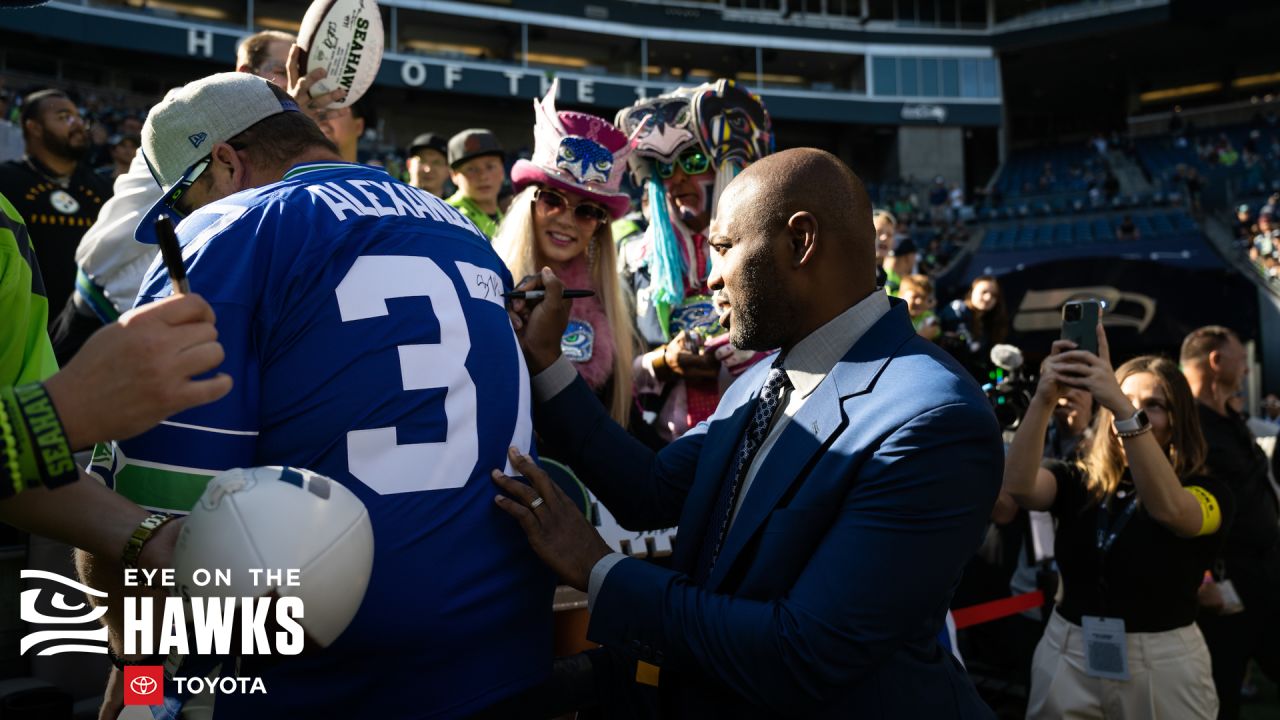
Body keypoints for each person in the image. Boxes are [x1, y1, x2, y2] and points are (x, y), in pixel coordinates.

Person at [81, 73, 548, 718]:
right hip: (503, 644)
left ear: (223, 161)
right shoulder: (462, 228)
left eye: (184, 198)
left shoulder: (226, 228)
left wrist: (137, 685)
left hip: (330, 673)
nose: (185, 217)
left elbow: (149, 505)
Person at [497, 148, 1003, 717]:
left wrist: (598, 568)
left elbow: (804, 653)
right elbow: (651, 491)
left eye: (723, 249)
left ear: (799, 242)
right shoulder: (762, 377)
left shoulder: (931, 418)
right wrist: (546, 361)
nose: (710, 277)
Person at [50, 29, 344, 363]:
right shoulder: (187, 110)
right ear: (246, 74)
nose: (296, 80)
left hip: (146, 317)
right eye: (283, 68)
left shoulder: (270, 144)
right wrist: (287, 113)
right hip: (98, 312)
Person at [1003, 331, 1228, 719]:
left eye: (1152, 405)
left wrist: (1124, 410)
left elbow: (1173, 511)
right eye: (1125, 400)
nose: (1136, 411)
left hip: (1160, 662)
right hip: (1069, 650)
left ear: (1177, 423)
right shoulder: (1079, 478)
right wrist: (1043, 397)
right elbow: (1019, 487)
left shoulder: (1208, 490)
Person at [614, 79, 774, 443]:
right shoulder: (635, 259)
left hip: (756, 433)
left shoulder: (768, 252)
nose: (679, 179)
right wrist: (661, 361)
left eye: (694, 160)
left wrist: (754, 355)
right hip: (661, 443)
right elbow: (611, 368)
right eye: (666, 170)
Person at [492, 81, 639, 426]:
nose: (567, 221)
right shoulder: (482, 284)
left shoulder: (615, 306)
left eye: (587, 211)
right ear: (529, 202)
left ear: (599, 226)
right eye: (552, 200)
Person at [1182, 326, 1280, 720]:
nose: (1244, 369)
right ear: (1215, 361)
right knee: (1222, 695)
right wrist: (1204, 578)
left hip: (1266, 576)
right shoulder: (1186, 426)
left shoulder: (1230, 417)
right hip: (1224, 586)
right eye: (1239, 360)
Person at [0, 89, 113, 321]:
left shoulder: (105, 188)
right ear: (34, 128)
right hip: (21, 321)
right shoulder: (6, 182)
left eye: (79, 117)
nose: (78, 125)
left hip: (87, 328)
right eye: (64, 117)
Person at [941, 274, 1009, 382]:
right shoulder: (957, 310)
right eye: (984, 292)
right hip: (954, 377)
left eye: (994, 295)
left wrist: (1000, 381)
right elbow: (964, 348)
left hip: (978, 382)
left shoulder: (991, 321)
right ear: (972, 291)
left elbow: (994, 364)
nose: (988, 298)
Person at [446, 128, 506, 238]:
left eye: (490, 166)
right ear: (454, 175)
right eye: (471, 169)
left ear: (502, 171)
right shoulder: (448, 216)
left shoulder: (507, 219)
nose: (483, 176)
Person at [315, 95, 369, 163]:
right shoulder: (299, 172)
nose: (320, 119)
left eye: (332, 110)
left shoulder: (373, 173)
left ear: (358, 126)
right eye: (313, 110)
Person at [406, 131, 449, 197]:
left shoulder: (454, 207)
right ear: (409, 164)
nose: (428, 169)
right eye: (422, 161)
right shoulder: (389, 201)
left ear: (448, 170)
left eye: (436, 162)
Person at [898, 273, 939, 340]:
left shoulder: (928, 317)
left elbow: (937, 332)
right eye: (914, 297)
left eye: (924, 298)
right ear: (900, 295)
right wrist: (923, 335)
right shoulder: (896, 318)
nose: (919, 302)